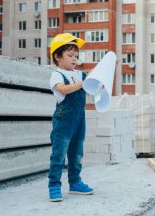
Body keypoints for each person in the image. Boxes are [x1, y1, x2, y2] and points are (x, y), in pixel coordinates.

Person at [48, 33, 93, 202]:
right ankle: (54, 185)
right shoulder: (57, 75)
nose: (74, 59)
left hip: (79, 118)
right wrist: (83, 82)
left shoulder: (80, 74)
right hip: (63, 119)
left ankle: (75, 182)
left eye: (76, 56)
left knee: (76, 152)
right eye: (70, 55)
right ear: (58, 57)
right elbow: (62, 89)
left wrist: (107, 67)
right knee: (59, 153)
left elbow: (93, 81)